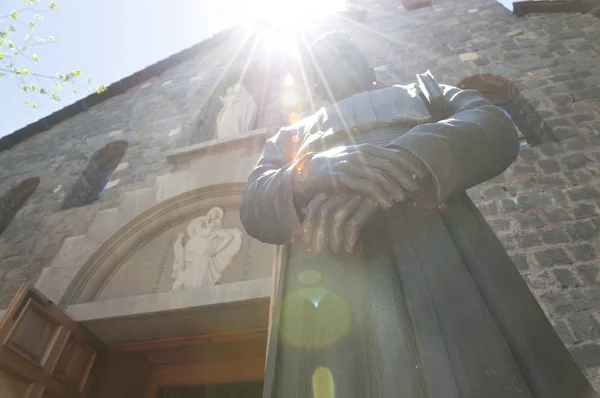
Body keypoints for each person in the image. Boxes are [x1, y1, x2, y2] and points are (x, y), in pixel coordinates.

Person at [240, 32, 595, 397]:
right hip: (331, 275)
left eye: (345, 53)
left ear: (367, 65)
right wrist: (311, 171)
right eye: (323, 60)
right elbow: (253, 203)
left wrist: (405, 160)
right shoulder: (290, 136)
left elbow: (493, 123)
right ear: (313, 81)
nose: (335, 62)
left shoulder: (424, 90)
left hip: (439, 253)